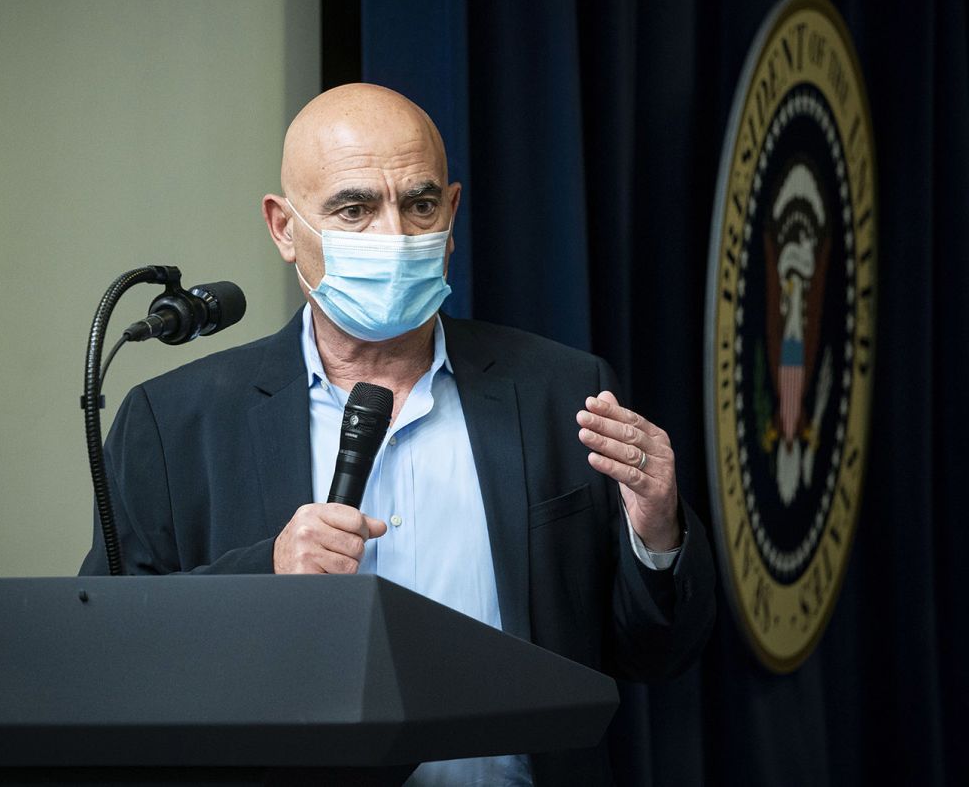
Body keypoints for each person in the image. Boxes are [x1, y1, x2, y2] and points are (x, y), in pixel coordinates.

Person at [81, 83, 715, 785]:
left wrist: (658, 534)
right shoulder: (174, 424)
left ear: (452, 210)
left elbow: (657, 656)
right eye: (354, 209)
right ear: (284, 227)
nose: (394, 237)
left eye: (418, 205)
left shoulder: (562, 391)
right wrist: (266, 572)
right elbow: (115, 664)